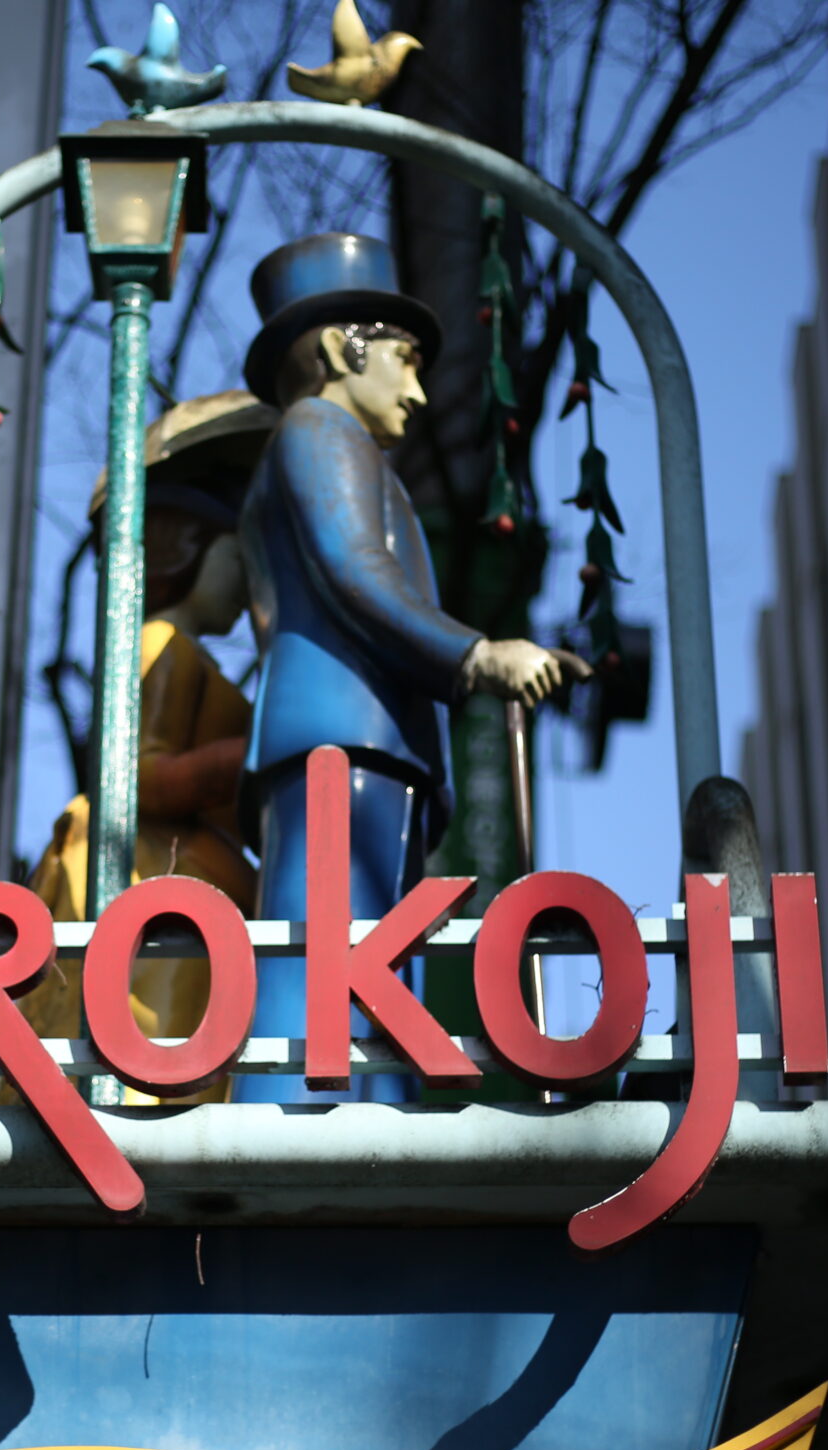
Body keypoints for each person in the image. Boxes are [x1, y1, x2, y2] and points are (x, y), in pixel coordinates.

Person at [233, 233, 588, 1103]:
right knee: (327, 960)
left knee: (363, 964)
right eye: (404, 360)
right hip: (342, 741)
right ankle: (297, 1124)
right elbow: (357, 571)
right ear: (338, 348)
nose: (420, 391)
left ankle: (360, 1115)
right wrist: (478, 654)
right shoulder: (321, 429)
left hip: (363, 744)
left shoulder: (335, 444)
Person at [13, 392, 277, 1105]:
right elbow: (135, 773)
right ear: (188, 546)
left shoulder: (194, 657)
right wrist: (253, 759)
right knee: (149, 1068)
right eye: (237, 556)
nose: (248, 580)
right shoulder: (161, 644)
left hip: (198, 883)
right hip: (153, 878)